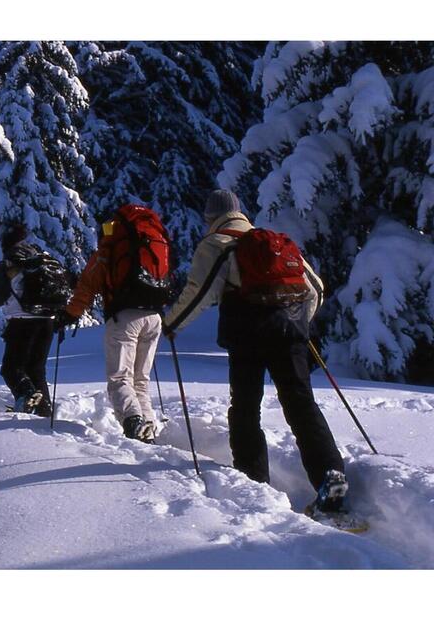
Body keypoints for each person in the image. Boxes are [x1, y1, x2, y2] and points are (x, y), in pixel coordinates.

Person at [161, 189, 349, 515]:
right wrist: (298, 324)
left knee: (246, 407)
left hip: (247, 335)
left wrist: (172, 323)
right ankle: (330, 475)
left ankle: (253, 479)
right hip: (290, 334)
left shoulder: (216, 244)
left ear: (210, 218)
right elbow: (315, 288)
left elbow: (199, 292)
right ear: (241, 213)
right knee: (301, 405)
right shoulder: (274, 241)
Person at [60, 204, 172, 444]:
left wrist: (71, 313)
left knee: (120, 378)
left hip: (125, 316)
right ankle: (148, 429)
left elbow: (90, 281)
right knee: (140, 380)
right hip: (154, 316)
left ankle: (133, 421)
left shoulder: (112, 242)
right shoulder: (153, 236)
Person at [0, 224, 60, 416]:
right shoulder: (42, 259)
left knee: (11, 369)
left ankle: (28, 395)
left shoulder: (7, 264)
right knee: (36, 369)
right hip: (47, 320)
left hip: (21, 322)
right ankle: (44, 411)